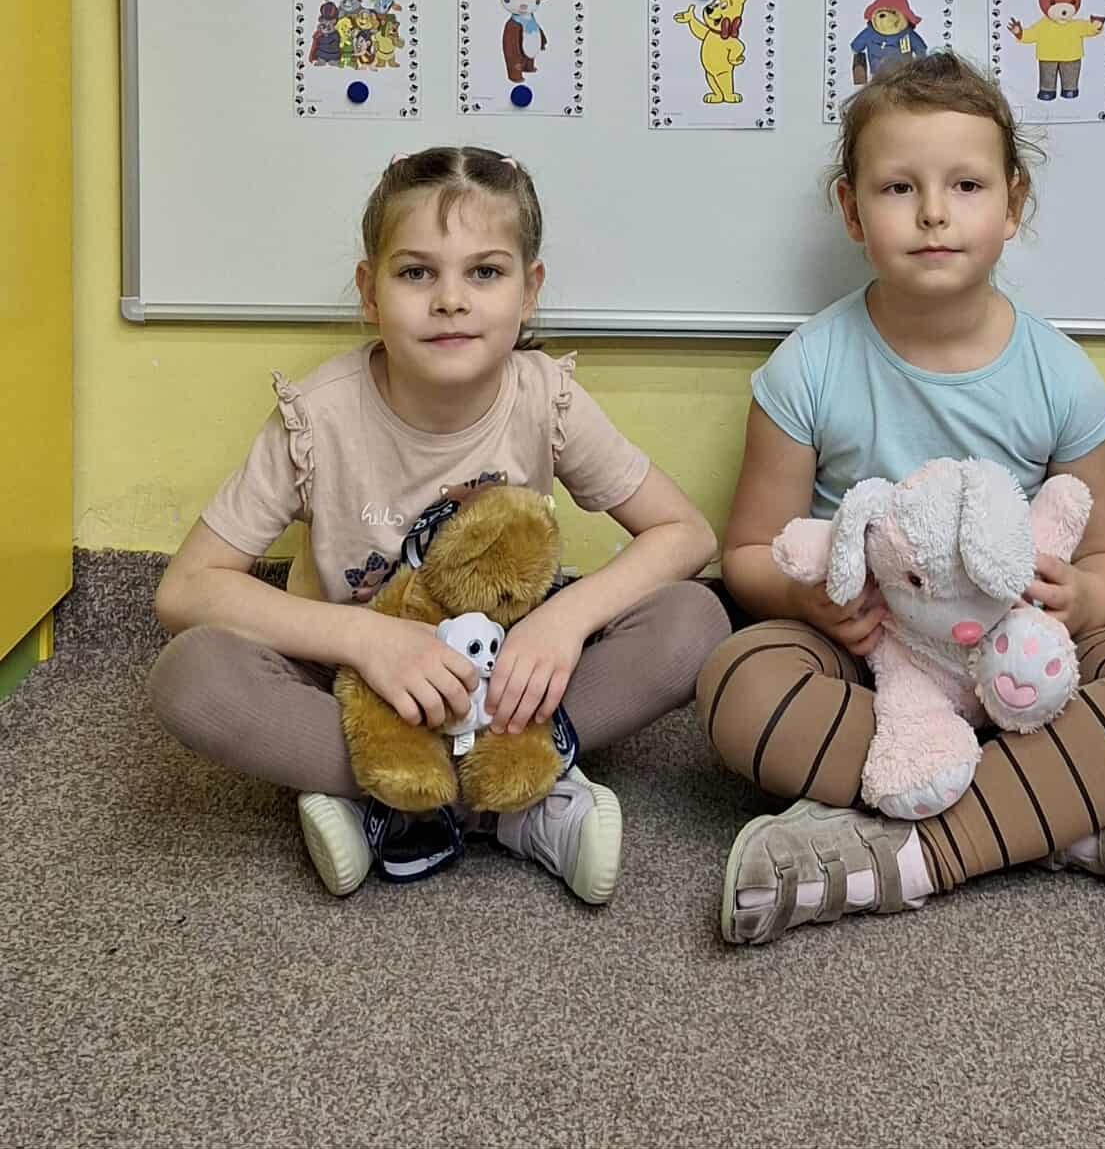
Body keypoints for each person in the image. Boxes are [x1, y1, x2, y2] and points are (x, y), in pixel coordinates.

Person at [698, 51, 1105, 946]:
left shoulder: (1061, 375)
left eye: (967, 185)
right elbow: (748, 552)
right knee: (737, 688)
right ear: (851, 209)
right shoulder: (807, 368)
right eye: (899, 187)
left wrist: (1086, 596)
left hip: (1023, 665)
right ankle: (1069, 816)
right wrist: (806, 601)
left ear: (1013, 205)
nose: (934, 212)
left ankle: (911, 851)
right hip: (874, 664)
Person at [149, 147, 727, 900]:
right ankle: (503, 797)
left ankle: (397, 801)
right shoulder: (317, 419)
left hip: (505, 679)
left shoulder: (545, 398)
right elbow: (185, 590)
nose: (450, 299)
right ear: (370, 291)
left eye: (484, 272)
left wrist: (562, 623)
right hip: (357, 682)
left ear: (529, 292)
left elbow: (687, 533)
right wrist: (366, 639)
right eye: (416, 273)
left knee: (694, 620)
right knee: (191, 676)